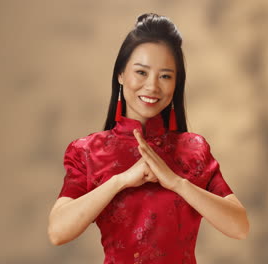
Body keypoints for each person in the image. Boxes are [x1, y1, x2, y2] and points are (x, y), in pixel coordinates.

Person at [48, 13, 249, 264]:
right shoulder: (89, 151)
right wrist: (119, 181)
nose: (153, 86)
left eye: (165, 76)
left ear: (176, 83)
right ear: (121, 74)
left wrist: (176, 182)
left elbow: (240, 226)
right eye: (141, 72)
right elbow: (58, 231)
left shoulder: (193, 149)